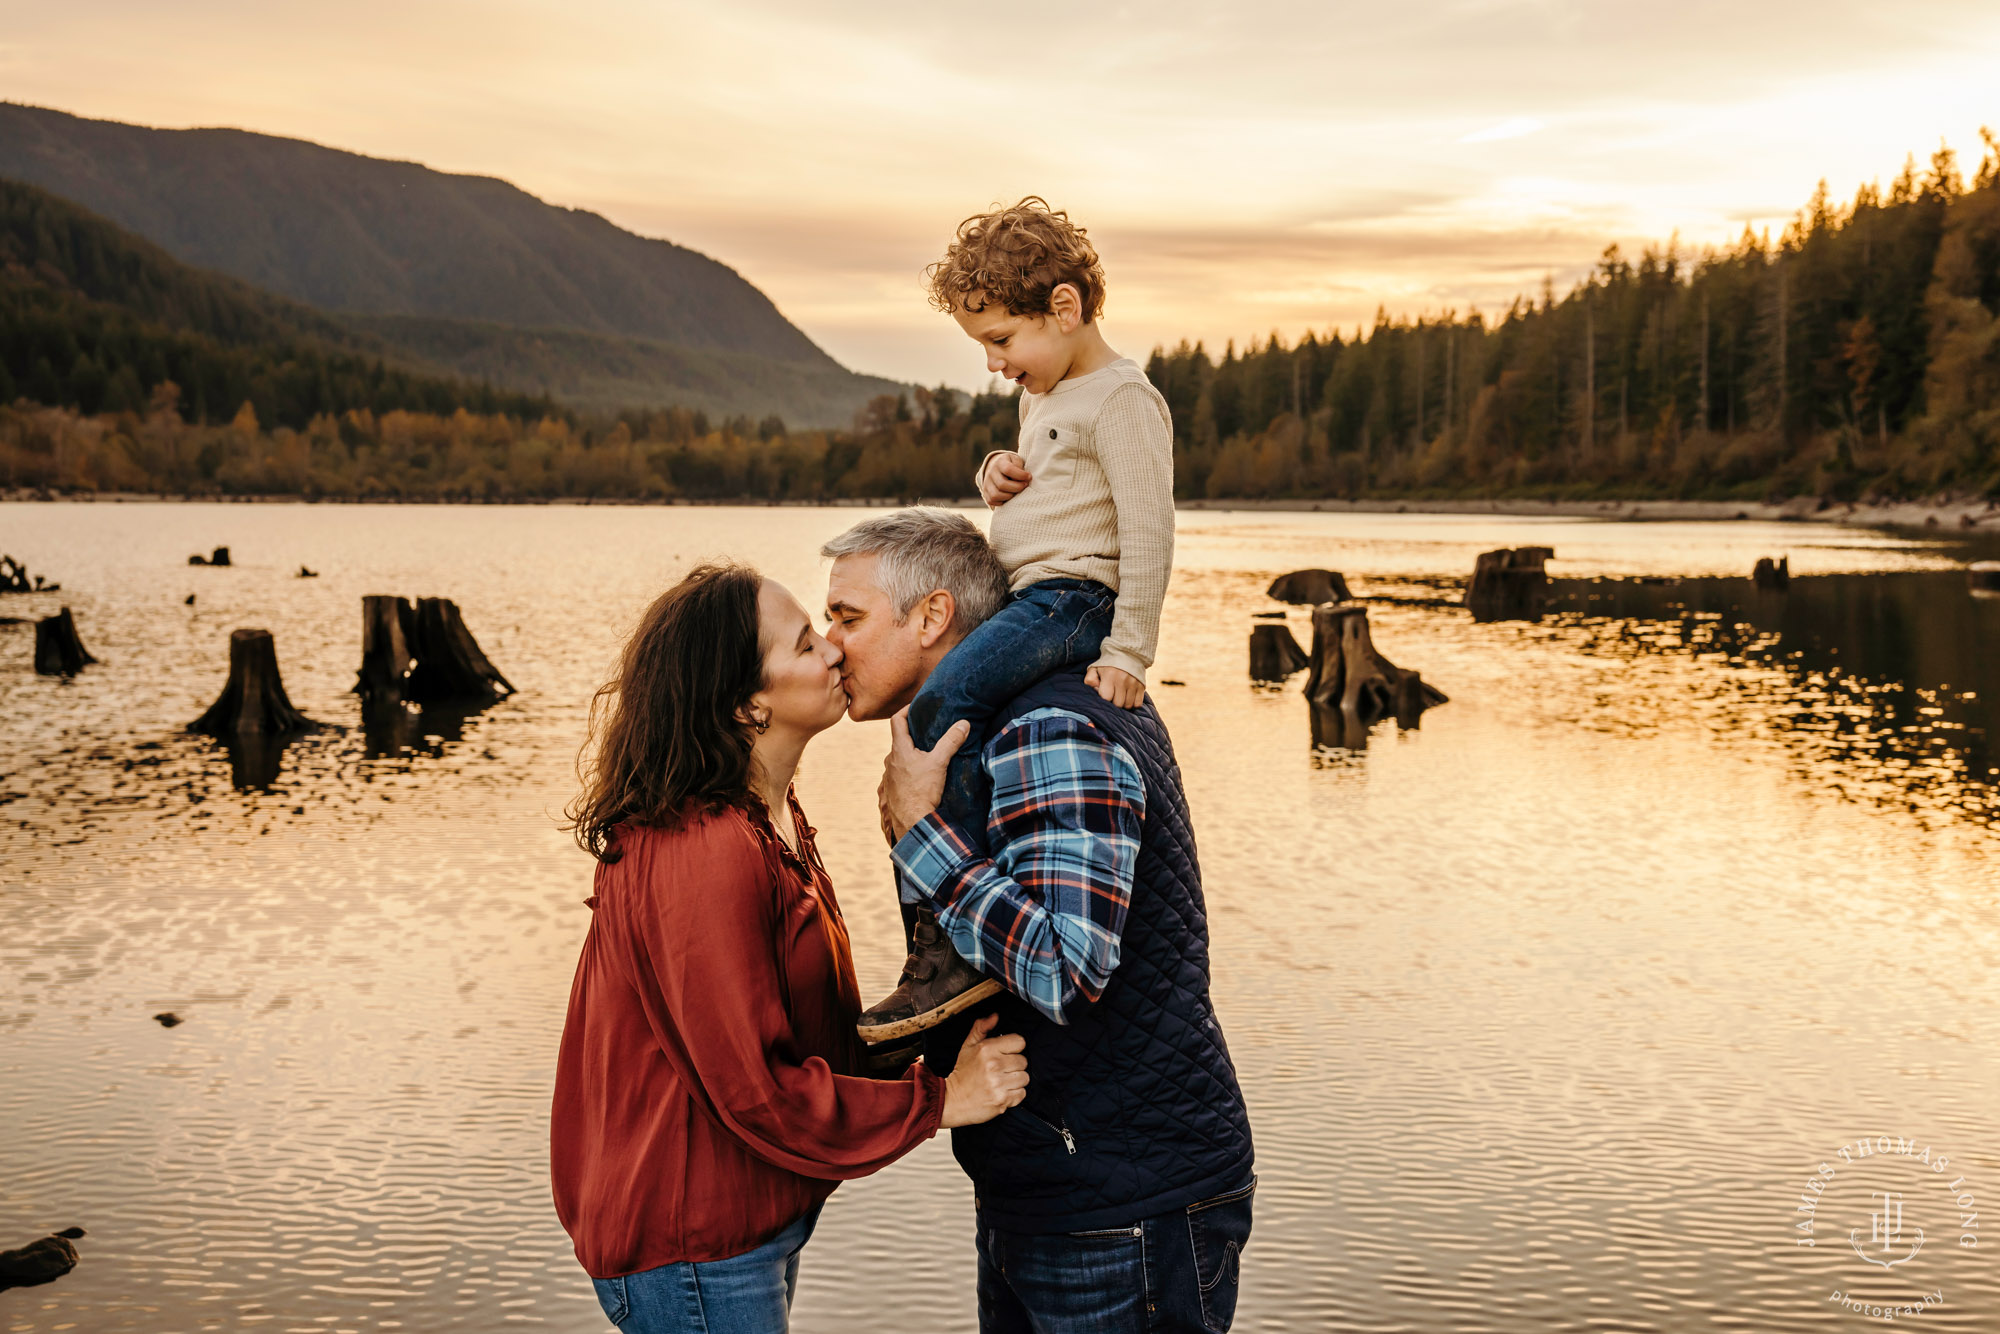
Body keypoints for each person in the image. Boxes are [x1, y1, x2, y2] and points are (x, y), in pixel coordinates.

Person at [550, 562, 1028, 1334]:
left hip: (738, 1221)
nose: (836, 650)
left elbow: (796, 1034)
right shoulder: (702, 851)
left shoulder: (764, 819)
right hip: (691, 1241)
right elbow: (753, 1089)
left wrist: (930, 1048)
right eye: (807, 643)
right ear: (748, 703)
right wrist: (943, 1101)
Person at [822, 511, 1256, 1334]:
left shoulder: (1045, 725)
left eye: (848, 617)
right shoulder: (993, 730)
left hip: (1125, 1205)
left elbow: (1064, 965)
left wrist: (924, 836)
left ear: (932, 617)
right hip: (1060, 1186)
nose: (829, 642)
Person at [858, 196, 1178, 1042]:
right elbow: (1050, 488)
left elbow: (1148, 529)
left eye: (1002, 340)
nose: (996, 363)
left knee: (936, 715)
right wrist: (997, 470)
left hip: (1074, 602)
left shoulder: (1122, 399)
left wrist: (1130, 651)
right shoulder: (1050, 393)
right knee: (954, 725)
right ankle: (944, 948)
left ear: (1064, 309)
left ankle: (945, 955)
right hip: (1031, 592)